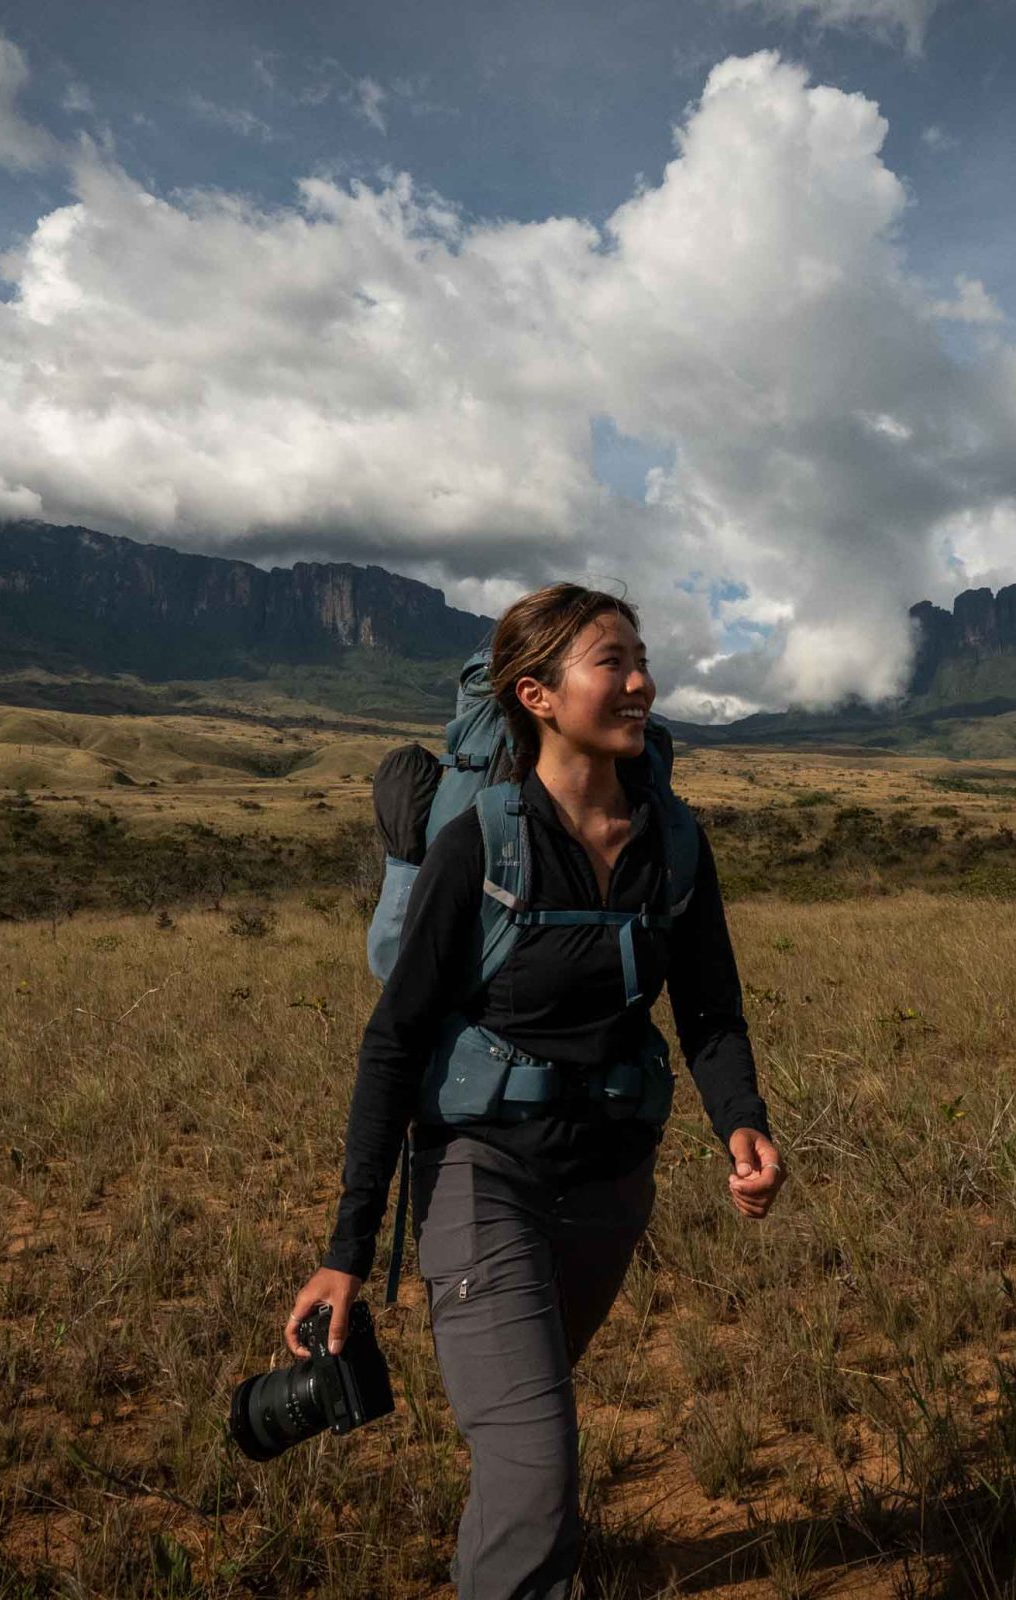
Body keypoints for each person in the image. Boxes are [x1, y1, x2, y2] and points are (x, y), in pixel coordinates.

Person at [286, 582, 786, 1599]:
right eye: (614, 662)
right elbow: (394, 1045)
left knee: (529, 1439)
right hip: (482, 1172)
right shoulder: (479, 844)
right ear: (538, 694)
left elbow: (709, 1011)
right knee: (537, 1466)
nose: (642, 680)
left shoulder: (674, 843)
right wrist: (345, 1253)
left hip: (610, 1180)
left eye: (641, 658)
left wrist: (744, 1122)